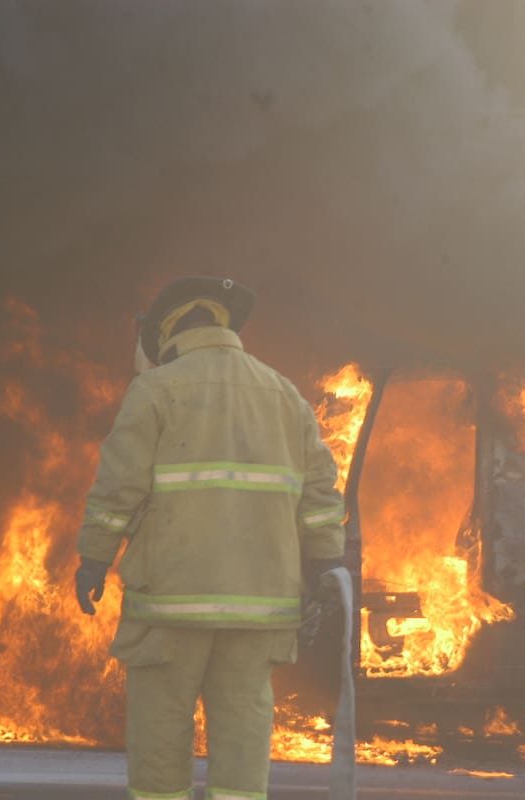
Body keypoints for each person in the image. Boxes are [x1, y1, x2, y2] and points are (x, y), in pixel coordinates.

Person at [73, 276, 345, 800]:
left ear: (167, 335)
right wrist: (327, 561)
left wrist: (94, 558)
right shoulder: (284, 394)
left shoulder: (155, 389)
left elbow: (119, 486)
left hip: (170, 606)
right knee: (244, 728)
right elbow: (318, 492)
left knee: (161, 728)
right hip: (260, 607)